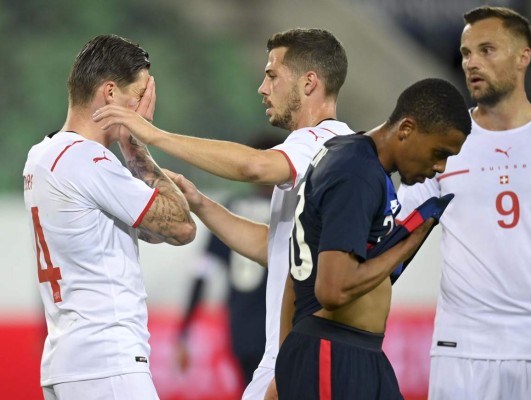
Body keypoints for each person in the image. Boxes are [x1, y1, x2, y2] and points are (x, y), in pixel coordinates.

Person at [93, 28, 354, 399]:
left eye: (272, 75)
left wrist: (154, 135)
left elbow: (255, 168)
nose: (263, 88)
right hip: (283, 352)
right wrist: (200, 202)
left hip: (302, 353)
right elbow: (274, 248)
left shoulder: (322, 142)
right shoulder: (318, 149)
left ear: (309, 82)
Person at [22, 34, 196, 400]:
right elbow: (181, 226)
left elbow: (153, 232)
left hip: (69, 362)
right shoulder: (88, 160)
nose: (145, 112)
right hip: (106, 363)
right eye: (140, 96)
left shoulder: (43, 154)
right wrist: (136, 143)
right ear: (110, 93)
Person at [274, 78, 471, 399]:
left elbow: (295, 277)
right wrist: (411, 238)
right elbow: (333, 290)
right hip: (332, 350)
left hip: (351, 351)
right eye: (439, 152)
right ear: (406, 129)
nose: (440, 167)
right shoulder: (356, 173)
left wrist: (283, 363)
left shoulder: (354, 159)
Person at [396, 6, 531, 400]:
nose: (472, 63)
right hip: (463, 350)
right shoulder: (442, 142)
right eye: (466, 54)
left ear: (523, 56)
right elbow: (391, 226)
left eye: (487, 50)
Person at [177, 133, 281, 389]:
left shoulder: (231, 208)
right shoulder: (291, 208)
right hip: (284, 327)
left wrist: (185, 329)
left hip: (241, 327)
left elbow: (203, 272)